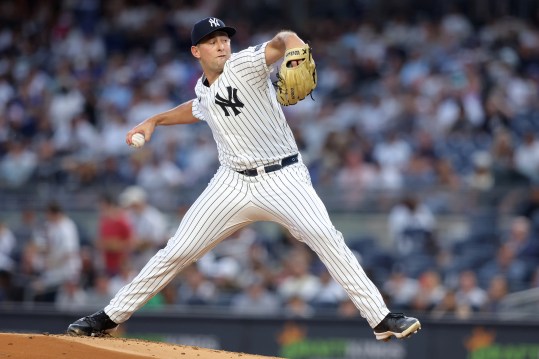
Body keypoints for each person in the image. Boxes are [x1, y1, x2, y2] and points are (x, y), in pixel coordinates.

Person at [67, 17, 420, 341]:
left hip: (283, 177)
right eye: (211, 41)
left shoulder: (245, 64)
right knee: (177, 251)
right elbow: (195, 107)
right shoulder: (203, 87)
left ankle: (381, 318)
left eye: (224, 38)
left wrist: (294, 42)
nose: (221, 45)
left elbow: (280, 42)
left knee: (326, 236)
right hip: (232, 182)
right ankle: (110, 317)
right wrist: (154, 120)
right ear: (196, 51)